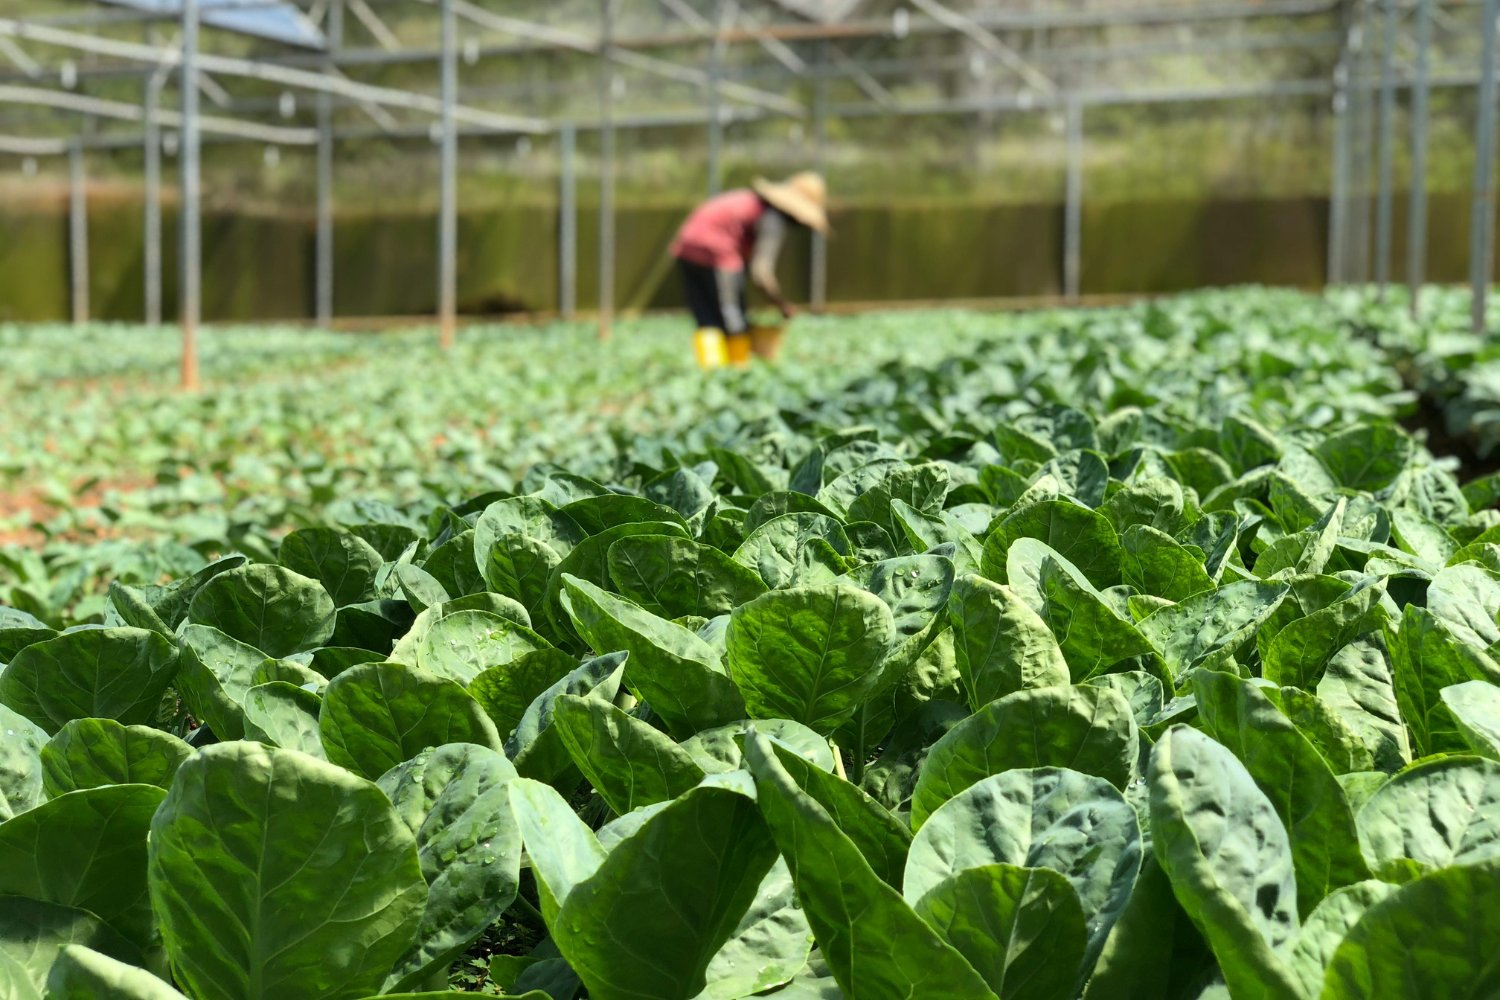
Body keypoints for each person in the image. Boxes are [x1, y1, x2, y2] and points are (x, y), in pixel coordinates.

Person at [669, 171, 829, 353]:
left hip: (686, 247)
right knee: (732, 315)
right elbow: (761, 273)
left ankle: (711, 374)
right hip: (718, 251)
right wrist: (780, 304)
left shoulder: (750, 201)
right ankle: (737, 372)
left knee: (706, 318)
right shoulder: (773, 218)